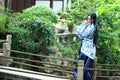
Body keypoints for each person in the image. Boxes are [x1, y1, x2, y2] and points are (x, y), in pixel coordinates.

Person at [73, 12, 98, 80]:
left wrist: (77, 28)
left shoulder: (92, 27)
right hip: (85, 49)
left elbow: (83, 35)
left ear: (93, 20)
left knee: (86, 70)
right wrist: (81, 26)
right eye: (88, 19)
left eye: (89, 19)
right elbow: (81, 36)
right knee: (80, 67)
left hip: (89, 51)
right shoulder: (88, 25)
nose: (88, 20)